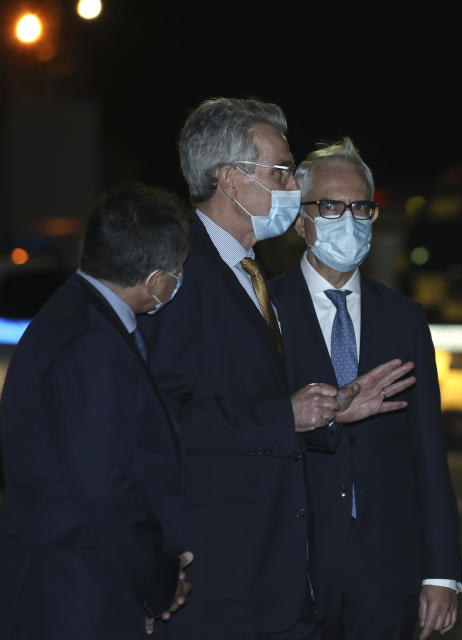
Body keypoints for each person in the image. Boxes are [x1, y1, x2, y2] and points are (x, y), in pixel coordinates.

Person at [139, 98, 414, 639]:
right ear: (232, 180)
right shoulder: (177, 271)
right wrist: (283, 416)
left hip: (277, 579)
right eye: (281, 171)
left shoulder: (249, 272)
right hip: (216, 580)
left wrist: (330, 413)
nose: (293, 185)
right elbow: (156, 420)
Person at [270, 138, 462, 640]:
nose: (349, 219)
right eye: (331, 206)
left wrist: (441, 572)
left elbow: (427, 448)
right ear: (299, 220)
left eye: (361, 207)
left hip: (386, 567)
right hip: (294, 562)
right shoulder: (265, 309)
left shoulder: (403, 317)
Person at [0, 184, 193, 638]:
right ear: (157, 279)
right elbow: (107, 489)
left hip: (78, 584)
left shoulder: (81, 316)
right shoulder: (91, 343)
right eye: (180, 268)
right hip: (75, 595)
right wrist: (158, 582)